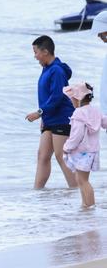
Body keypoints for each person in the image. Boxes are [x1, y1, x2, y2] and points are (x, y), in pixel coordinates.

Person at [25, 35, 77, 189]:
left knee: (61, 157)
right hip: (50, 118)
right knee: (42, 156)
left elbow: (57, 97)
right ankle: (37, 191)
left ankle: (77, 191)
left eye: (35, 52)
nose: (35, 56)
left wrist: (39, 112)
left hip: (61, 117)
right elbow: (47, 97)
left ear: (45, 51)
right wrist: (44, 116)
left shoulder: (56, 71)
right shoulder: (47, 68)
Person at [62, 83, 107, 208]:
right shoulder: (95, 110)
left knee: (83, 180)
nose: (71, 101)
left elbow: (77, 135)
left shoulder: (79, 113)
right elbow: (104, 122)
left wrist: (67, 147)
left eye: (72, 98)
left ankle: (89, 206)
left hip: (82, 152)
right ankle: (85, 204)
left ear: (78, 98)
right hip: (92, 152)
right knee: (81, 179)